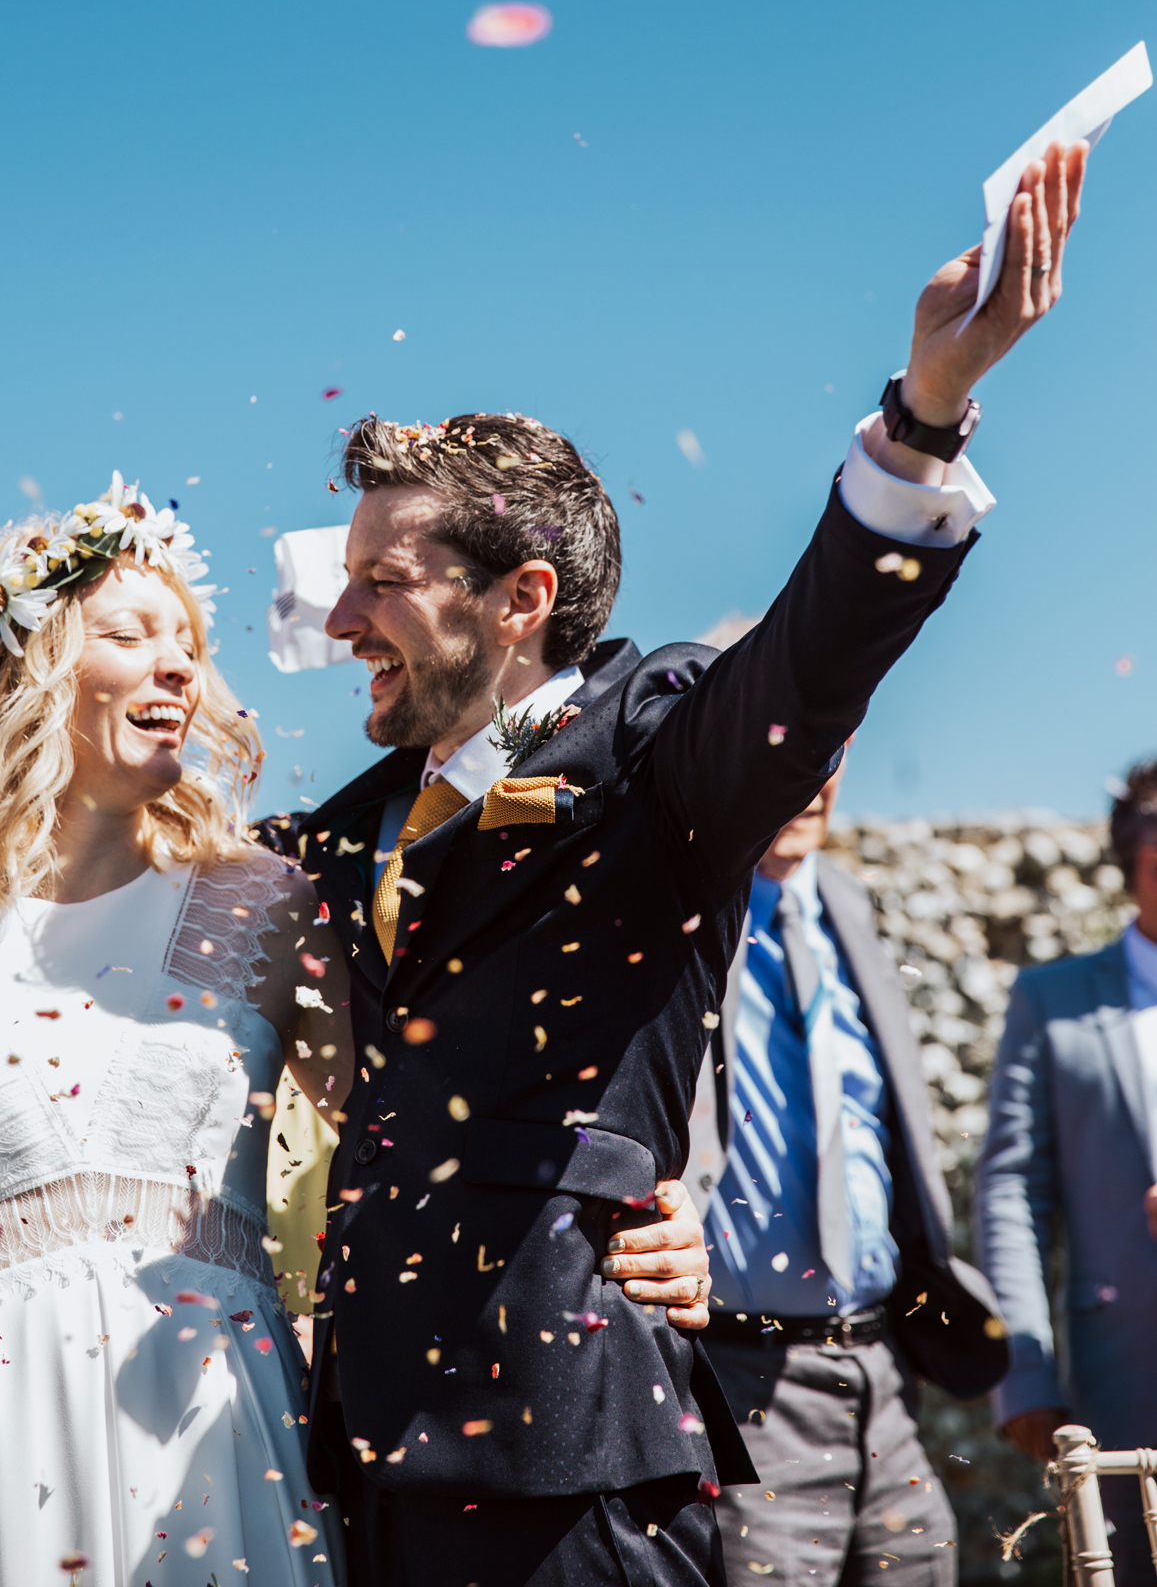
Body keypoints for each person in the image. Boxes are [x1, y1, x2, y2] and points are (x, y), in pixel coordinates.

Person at [263, 142, 1087, 1587]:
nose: (340, 622)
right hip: (365, 1463)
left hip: (571, 1455)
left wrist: (926, 410)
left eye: (380, 582)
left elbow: (810, 661)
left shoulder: (649, 757)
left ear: (518, 602)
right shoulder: (334, 834)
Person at [0, 478, 353, 1584]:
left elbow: (403, 1172)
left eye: (189, 643)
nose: (180, 666)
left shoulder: (272, 906)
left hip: (216, 1447)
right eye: (128, 632)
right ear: (27, 671)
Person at [687, 759, 1007, 1587]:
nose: (805, 778)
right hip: (744, 1382)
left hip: (884, 1375)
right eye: (779, 748)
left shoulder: (847, 908)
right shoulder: (673, 921)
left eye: (827, 752)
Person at [976, 756, 1157, 1587]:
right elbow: (1012, 1188)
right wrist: (1023, 1368)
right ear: (1133, 862)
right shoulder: (1052, 1002)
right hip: (1121, 1385)